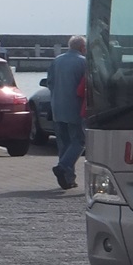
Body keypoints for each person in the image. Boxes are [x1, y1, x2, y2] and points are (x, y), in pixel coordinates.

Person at [46, 35, 86, 190]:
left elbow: (50, 82)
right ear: (82, 48)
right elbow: (84, 88)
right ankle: (63, 167)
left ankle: (68, 179)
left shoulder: (57, 60)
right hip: (75, 108)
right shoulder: (83, 62)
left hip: (57, 106)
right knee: (80, 140)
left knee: (64, 143)